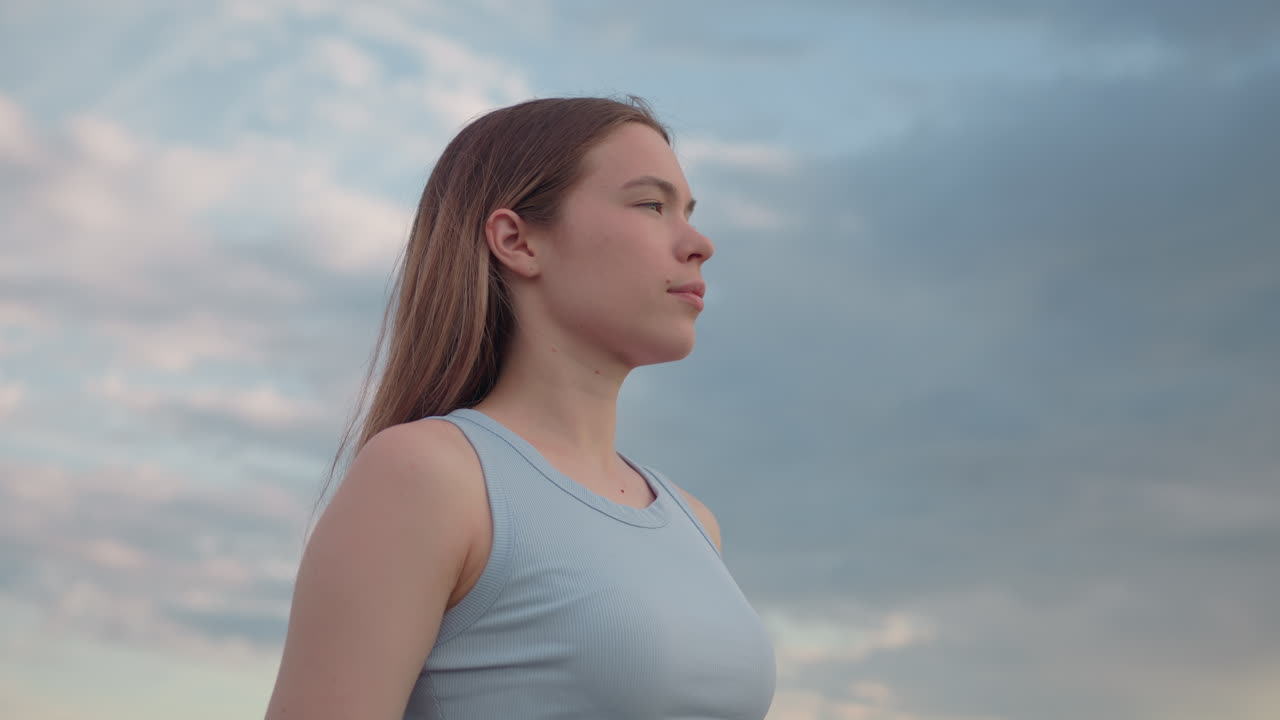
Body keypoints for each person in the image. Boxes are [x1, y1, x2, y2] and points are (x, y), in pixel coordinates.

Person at [265, 96, 777, 719]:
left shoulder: (695, 522)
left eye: (689, 212)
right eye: (651, 204)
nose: (700, 243)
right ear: (517, 240)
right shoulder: (430, 475)